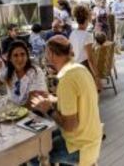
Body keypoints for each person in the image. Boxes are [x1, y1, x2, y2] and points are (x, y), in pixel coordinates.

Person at [30, 35, 102, 166]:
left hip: (80, 146)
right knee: (44, 138)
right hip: (92, 137)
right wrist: (55, 99)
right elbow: (80, 101)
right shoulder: (80, 68)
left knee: (34, 154)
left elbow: (70, 126)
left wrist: (49, 109)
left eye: (46, 53)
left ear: (51, 54)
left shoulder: (67, 79)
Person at [0, 40, 48, 106]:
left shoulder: (36, 72)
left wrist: (17, 112)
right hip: (12, 110)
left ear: (27, 56)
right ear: (10, 58)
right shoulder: (8, 72)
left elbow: (33, 100)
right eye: (15, 55)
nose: (20, 59)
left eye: (23, 54)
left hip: (32, 111)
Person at [69, 5, 101, 90]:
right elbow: (90, 58)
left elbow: (72, 53)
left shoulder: (72, 34)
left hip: (75, 66)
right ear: (87, 18)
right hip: (85, 67)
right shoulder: (87, 35)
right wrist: (97, 77)